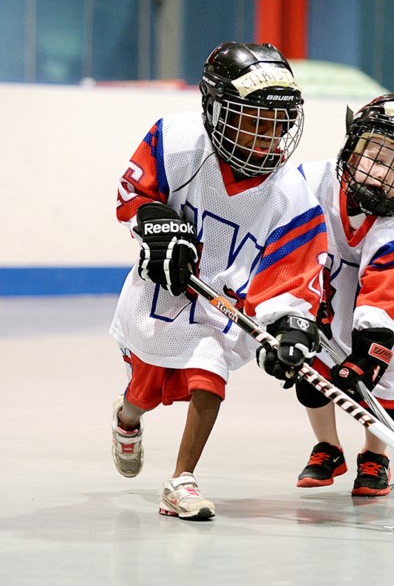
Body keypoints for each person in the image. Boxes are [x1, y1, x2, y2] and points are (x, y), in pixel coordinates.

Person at [108, 42, 328, 520]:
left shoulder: (290, 192)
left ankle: (181, 480)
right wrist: (158, 226)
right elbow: (134, 192)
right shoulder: (178, 139)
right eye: (253, 119)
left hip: (218, 307)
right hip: (160, 294)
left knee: (210, 382)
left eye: (278, 123)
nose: (268, 135)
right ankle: (127, 418)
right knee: (142, 394)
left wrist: (289, 325)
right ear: (215, 109)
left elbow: (294, 271)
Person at [294, 95, 394, 496]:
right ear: (351, 148)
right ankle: (327, 446)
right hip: (323, 279)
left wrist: (370, 350)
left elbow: (386, 299)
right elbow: (283, 241)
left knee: (384, 376)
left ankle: (376, 454)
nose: (383, 174)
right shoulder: (309, 181)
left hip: (378, 294)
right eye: (376, 157)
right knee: (311, 366)